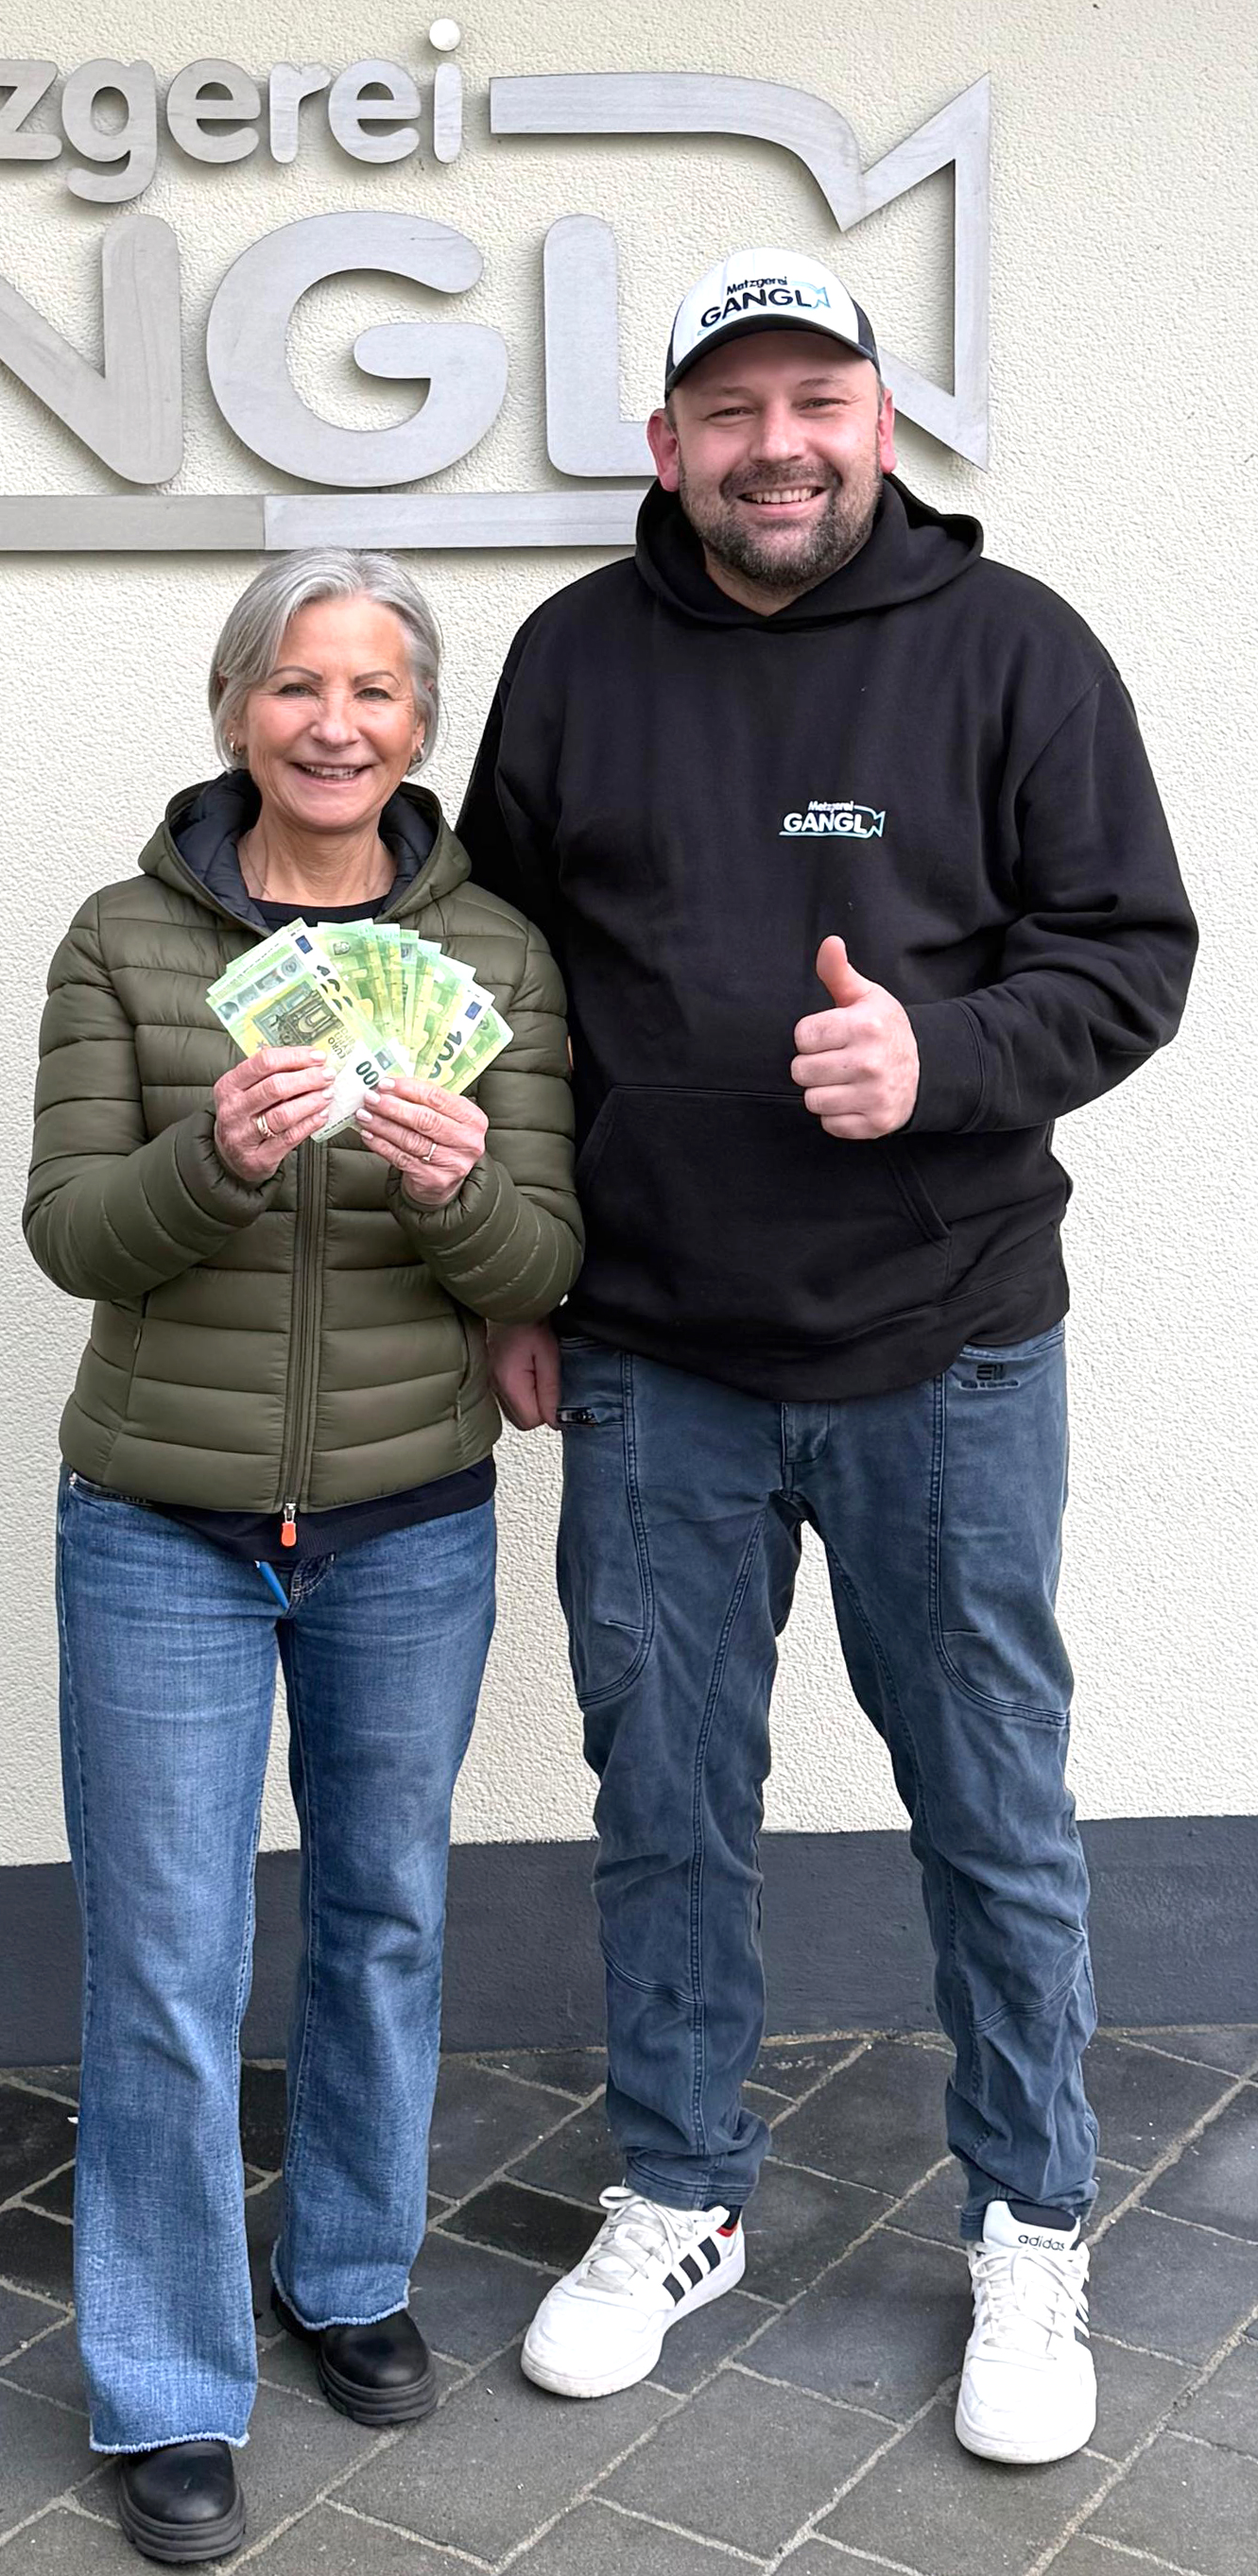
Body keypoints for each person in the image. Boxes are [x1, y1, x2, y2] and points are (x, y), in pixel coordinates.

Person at [459, 249, 1198, 2468]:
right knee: (666, 1800)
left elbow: (1129, 954)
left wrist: (940, 1058)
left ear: (879, 421)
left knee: (986, 1800)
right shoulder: (574, 659)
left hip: (940, 1350)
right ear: (664, 444)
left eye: (813, 400)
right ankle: (681, 2189)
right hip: (651, 1355)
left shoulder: (1012, 649)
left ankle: (1030, 2219)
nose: (772, 445)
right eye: (728, 409)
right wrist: (509, 1277)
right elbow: (495, 980)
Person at [26, 550, 580, 2562]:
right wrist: (218, 1157)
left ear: (421, 725)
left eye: (372, 690)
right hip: (157, 1529)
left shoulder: (496, 954)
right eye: (292, 684)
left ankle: (346, 2274)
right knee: (165, 1963)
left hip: (407, 1523)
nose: (332, 724)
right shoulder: (122, 940)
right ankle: (169, 2388)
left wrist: (454, 1190)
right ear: (234, 709)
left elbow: (541, 1262)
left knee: (382, 1923)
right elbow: (70, 1234)